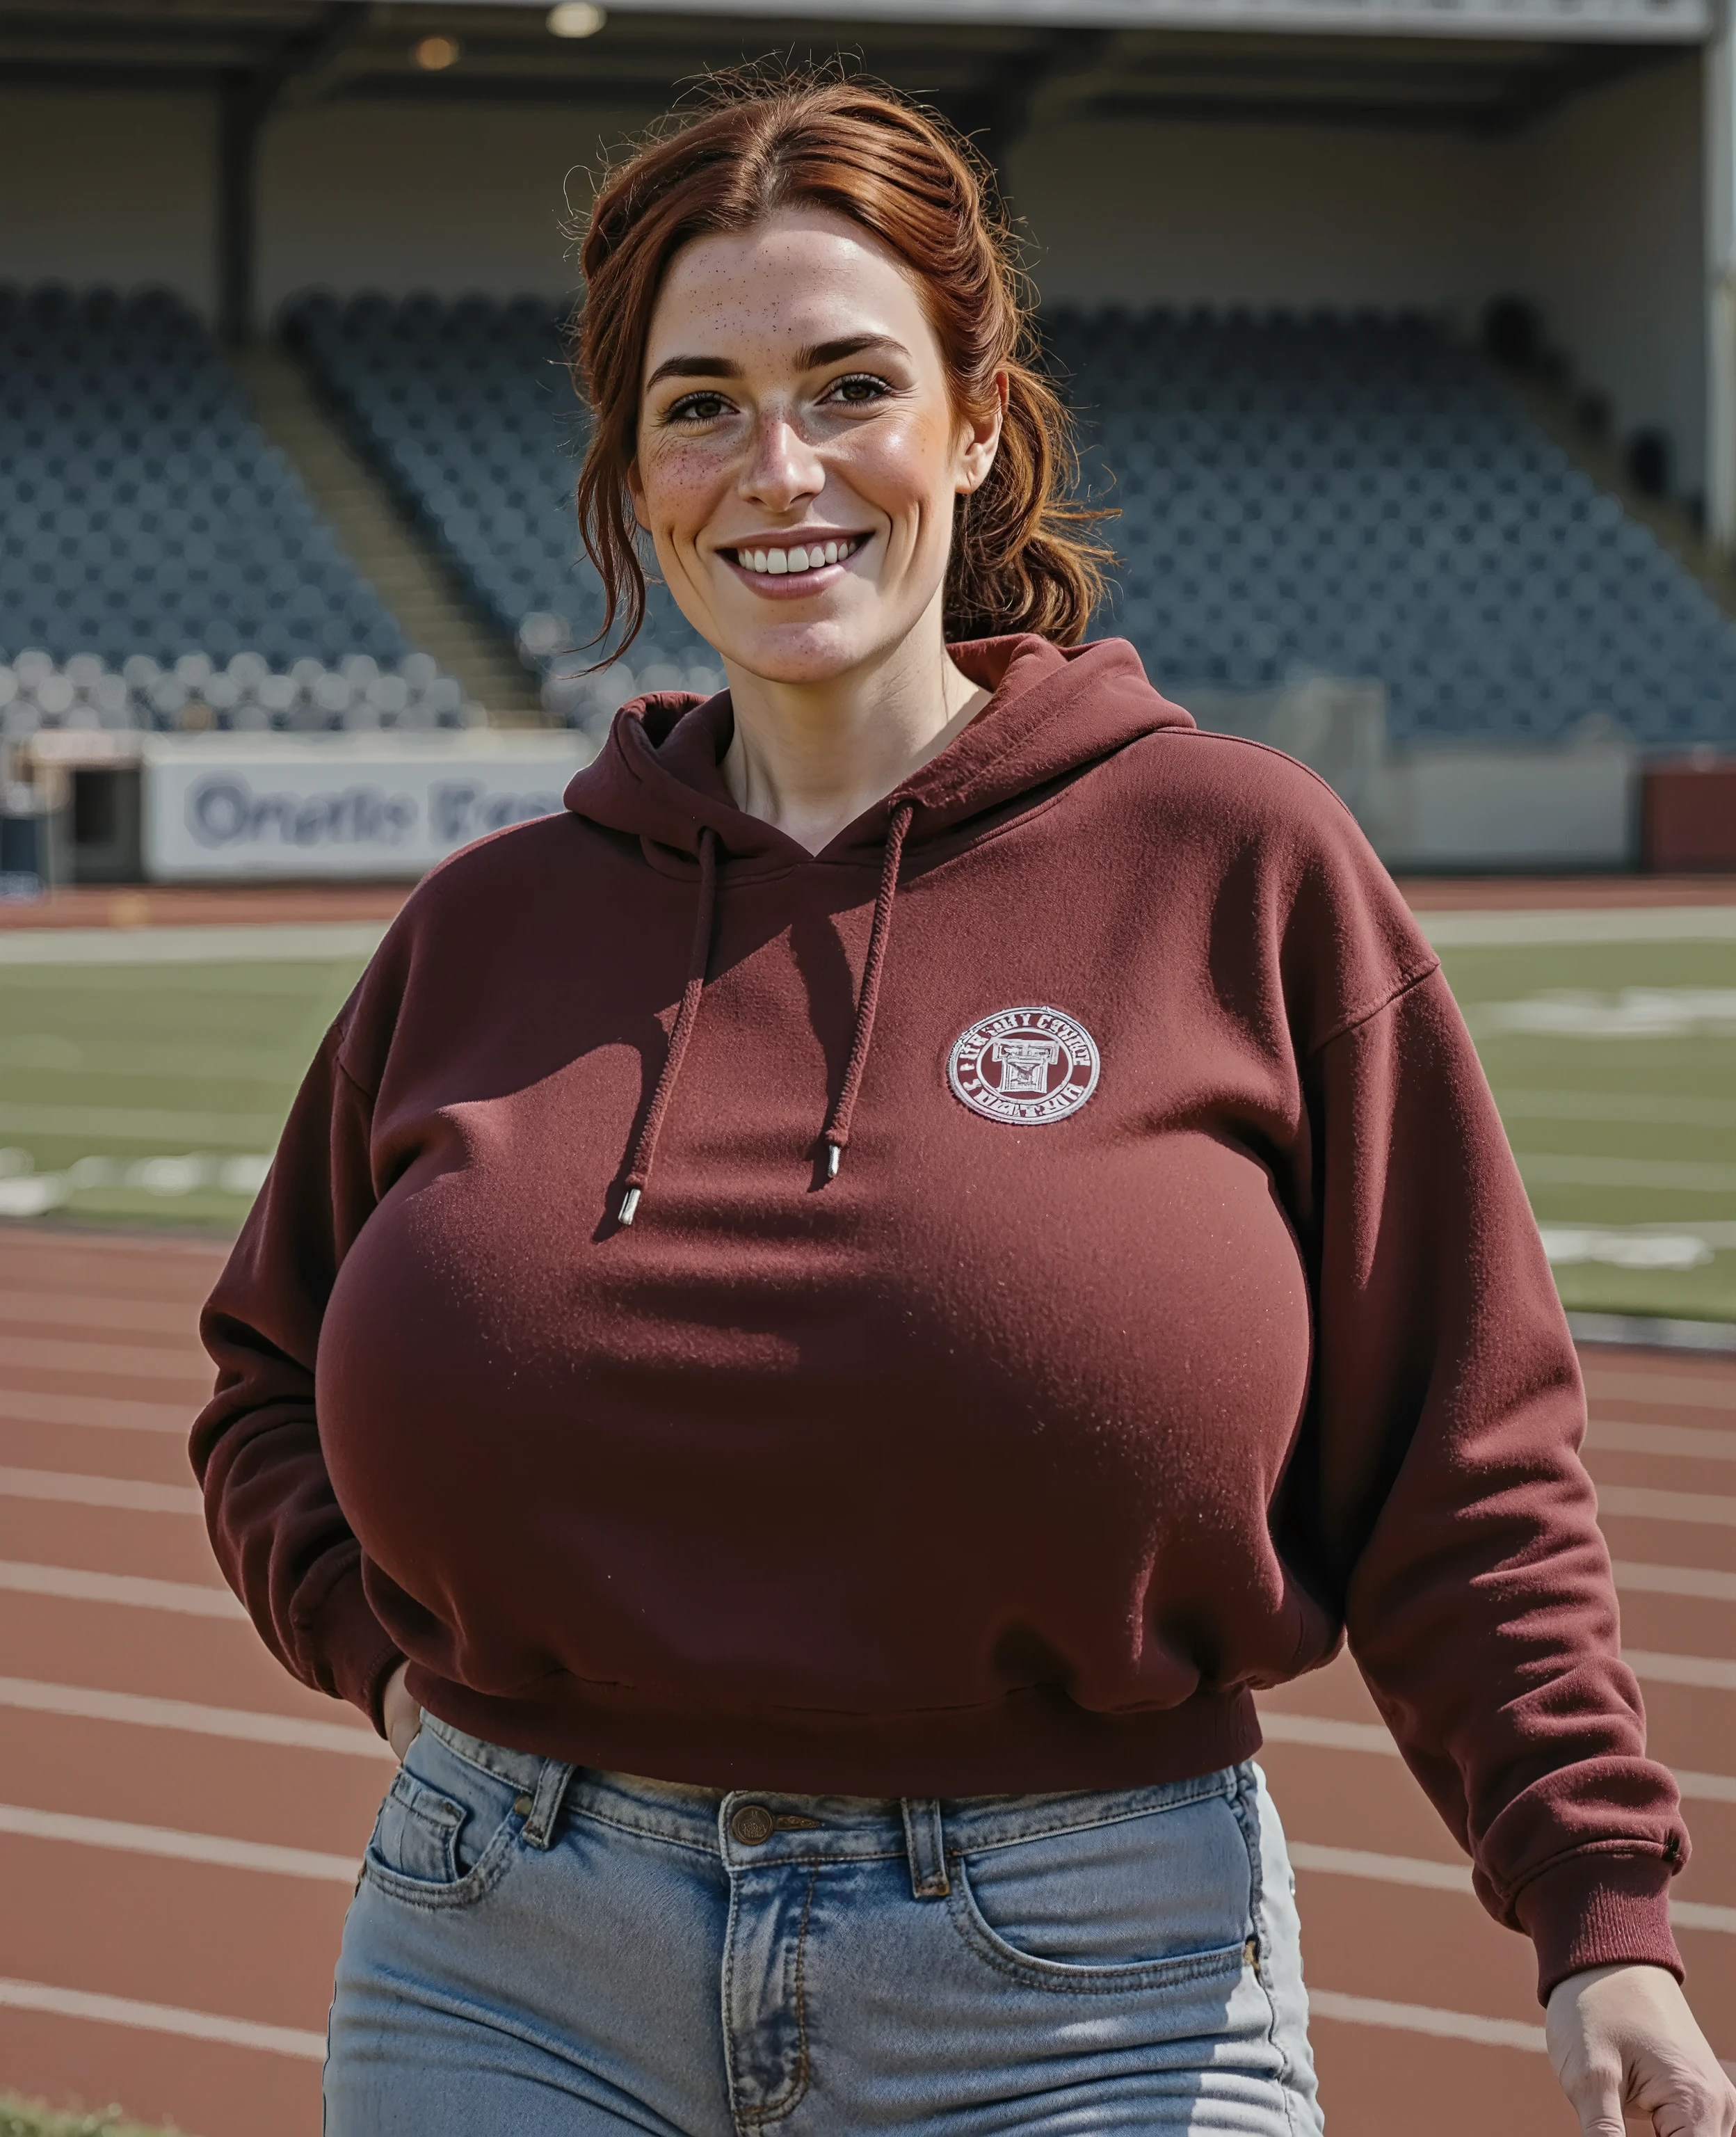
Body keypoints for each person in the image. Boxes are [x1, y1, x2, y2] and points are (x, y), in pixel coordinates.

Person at [193, 73, 1733, 2137]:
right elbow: (263, 1380)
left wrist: (1599, 1908)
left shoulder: (1240, 865)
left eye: (851, 386)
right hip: (508, 1964)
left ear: (978, 422)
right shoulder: (484, 926)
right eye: (702, 405)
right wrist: (394, 1678)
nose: (782, 468)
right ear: (633, 469)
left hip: (1088, 1981)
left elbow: (1466, 1451)